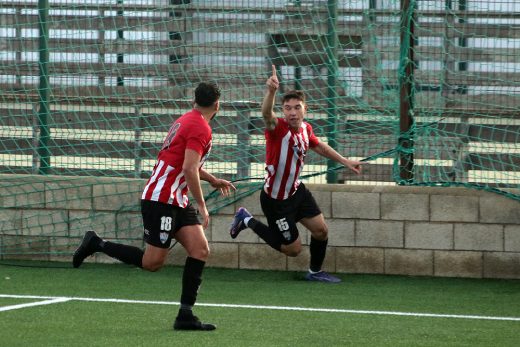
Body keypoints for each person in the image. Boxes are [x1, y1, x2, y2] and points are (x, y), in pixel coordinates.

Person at [72, 82, 235, 331]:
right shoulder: (200, 127)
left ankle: (185, 315)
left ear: (195, 100)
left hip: (176, 199)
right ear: (217, 104)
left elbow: (185, 162)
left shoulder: (188, 120)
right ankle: (96, 243)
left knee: (200, 250)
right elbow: (188, 168)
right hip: (161, 199)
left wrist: (213, 180)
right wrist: (202, 205)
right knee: (152, 263)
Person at [230, 66, 363, 283]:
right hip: (277, 201)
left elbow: (319, 146)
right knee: (293, 250)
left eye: (297, 107)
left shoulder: (305, 129)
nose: (292, 112)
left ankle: (315, 272)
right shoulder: (278, 129)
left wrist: (345, 161)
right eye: (287, 108)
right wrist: (271, 92)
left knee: (321, 231)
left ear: (305, 110)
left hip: (296, 192)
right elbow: (266, 114)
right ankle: (247, 220)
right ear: (283, 111)